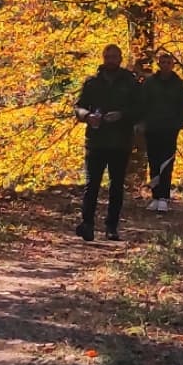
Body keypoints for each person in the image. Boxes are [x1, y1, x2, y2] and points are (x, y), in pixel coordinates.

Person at [73, 44, 142, 242]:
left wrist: (122, 115)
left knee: (116, 186)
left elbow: (139, 109)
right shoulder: (92, 83)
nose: (111, 59)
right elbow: (79, 107)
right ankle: (87, 224)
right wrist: (87, 116)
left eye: (115, 56)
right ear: (103, 58)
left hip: (121, 142)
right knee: (91, 185)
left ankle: (111, 227)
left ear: (120, 58)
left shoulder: (130, 83)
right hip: (96, 141)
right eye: (108, 56)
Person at [140, 49, 183, 212]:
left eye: (169, 63)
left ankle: (164, 197)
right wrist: (143, 123)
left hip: (170, 129)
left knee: (166, 162)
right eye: (163, 62)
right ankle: (155, 196)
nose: (166, 65)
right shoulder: (150, 83)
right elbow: (142, 104)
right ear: (158, 64)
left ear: (173, 65)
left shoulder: (178, 84)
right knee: (153, 162)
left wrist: (178, 124)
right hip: (152, 128)